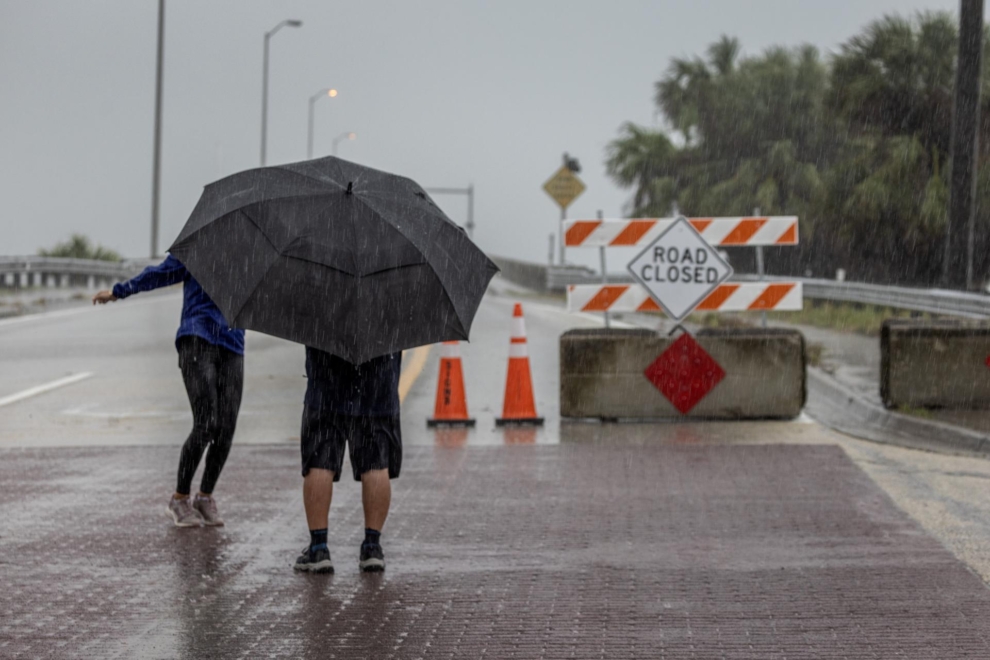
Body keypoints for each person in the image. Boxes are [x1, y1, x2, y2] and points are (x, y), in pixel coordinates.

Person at [93, 254, 245, 528]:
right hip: (197, 338)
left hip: (233, 343)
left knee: (226, 428)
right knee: (206, 423)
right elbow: (160, 274)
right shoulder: (199, 246)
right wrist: (119, 292)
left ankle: (205, 497)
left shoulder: (253, 254)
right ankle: (179, 498)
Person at [293, 348, 402, 574]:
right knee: (375, 461)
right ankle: (372, 547)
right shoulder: (391, 312)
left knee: (320, 460)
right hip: (378, 377)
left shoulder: (323, 310)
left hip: (327, 372)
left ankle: (319, 547)